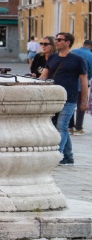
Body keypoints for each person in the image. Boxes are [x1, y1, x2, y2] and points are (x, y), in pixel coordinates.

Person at [42, 33, 86, 166]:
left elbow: (83, 81)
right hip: (53, 97)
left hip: (69, 97)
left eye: (59, 40)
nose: (56, 42)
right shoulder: (53, 57)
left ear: (68, 42)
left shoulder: (77, 60)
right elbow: (44, 75)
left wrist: (83, 101)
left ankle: (56, 154)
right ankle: (68, 157)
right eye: (56, 39)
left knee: (61, 126)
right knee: (60, 127)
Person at [67, 39, 92, 135]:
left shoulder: (73, 51)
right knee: (81, 103)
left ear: (83, 44)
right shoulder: (90, 55)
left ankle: (70, 126)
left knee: (71, 103)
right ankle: (78, 127)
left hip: (71, 81)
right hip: (83, 82)